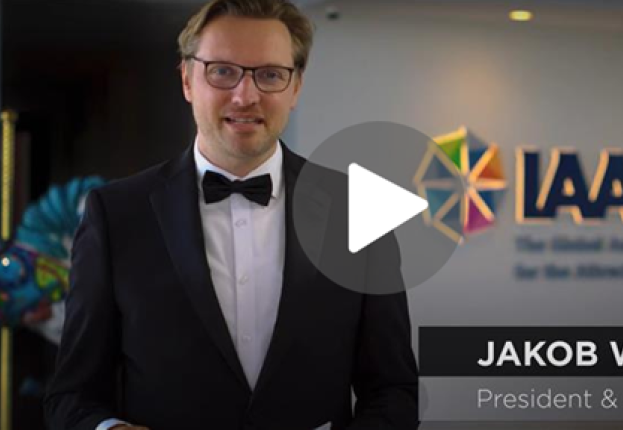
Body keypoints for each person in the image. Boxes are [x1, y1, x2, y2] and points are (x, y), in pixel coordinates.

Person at [43, 0, 419, 428]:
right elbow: (70, 397)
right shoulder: (115, 214)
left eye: (271, 75)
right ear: (187, 79)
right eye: (222, 71)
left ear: (295, 88)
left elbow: (393, 392)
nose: (246, 96)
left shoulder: (362, 211)